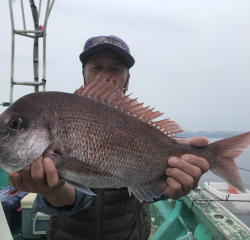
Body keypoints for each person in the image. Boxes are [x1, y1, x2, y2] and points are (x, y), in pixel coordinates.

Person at [8, 36, 210, 240]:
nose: (105, 76)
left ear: (127, 78)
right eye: (96, 68)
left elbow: (152, 187)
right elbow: (72, 194)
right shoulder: (62, 113)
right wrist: (53, 190)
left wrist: (173, 183)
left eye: (115, 69)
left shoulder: (140, 124)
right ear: (84, 74)